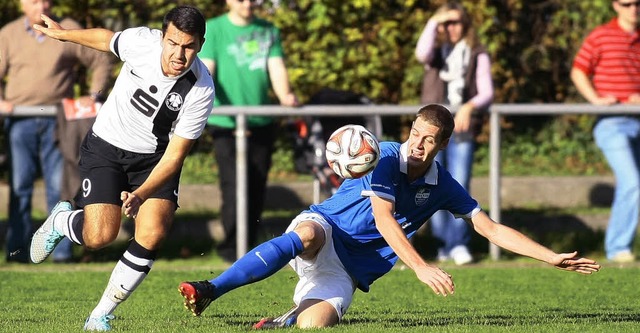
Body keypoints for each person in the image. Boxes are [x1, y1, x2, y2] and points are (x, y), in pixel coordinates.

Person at [178, 104, 601, 329]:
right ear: (410, 128)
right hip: (326, 228)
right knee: (306, 234)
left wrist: (550, 257)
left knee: (314, 326)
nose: (417, 144)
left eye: (428, 139)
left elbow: (487, 226)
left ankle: (283, 321)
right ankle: (210, 289)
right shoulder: (383, 156)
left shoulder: (444, 186)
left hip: (348, 269)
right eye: (415, 133)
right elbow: (383, 218)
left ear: (443, 144)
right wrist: (419, 267)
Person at [28, 5, 215, 331]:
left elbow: (174, 157)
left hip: (154, 161)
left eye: (188, 46)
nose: (178, 54)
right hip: (107, 149)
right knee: (100, 236)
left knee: (153, 232)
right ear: (162, 37)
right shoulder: (142, 42)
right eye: (173, 43)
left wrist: (141, 194)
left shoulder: (201, 89)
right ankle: (63, 220)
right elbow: (106, 39)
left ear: (199, 44)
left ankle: (100, 315)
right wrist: (63, 35)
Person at [0, 0, 112, 263]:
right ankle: (17, 251)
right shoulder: (8, 34)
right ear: (21, 4)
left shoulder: (66, 29)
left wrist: (93, 96)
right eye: (33, 0)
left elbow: (100, 60)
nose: (41, 5)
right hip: (20, 120)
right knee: (20, 186)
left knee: (58, 186)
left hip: (59, 120)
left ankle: (61, 253)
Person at [199, 0, 299, 262]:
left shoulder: (268, 30)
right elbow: (206, 70)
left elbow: (276, 67)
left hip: (261, 122)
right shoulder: (215, 29)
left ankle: (250, 247)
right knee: (233, 186)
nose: (249, 4)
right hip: (227, 124)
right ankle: (232, 250)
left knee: (255, 187)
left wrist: (286, 95)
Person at [414, 1, 494, 265]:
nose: (451, 28)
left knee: (459, 185)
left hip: (461, 132)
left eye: (456, 22)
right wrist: (434, 20)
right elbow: (420, 53)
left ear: (466, 24)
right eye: (446, 23)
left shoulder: (477, 52)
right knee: (430, 185)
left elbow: (486, 92)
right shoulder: (434, 53)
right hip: (431, 134)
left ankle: (458, 242)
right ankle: (441, 243)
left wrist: (469, 107)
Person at [571, 0, 640, 263]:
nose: (633, 9)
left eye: (637, 4)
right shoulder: (601, 35)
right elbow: (579, 70)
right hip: (612, 122)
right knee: (632, 182)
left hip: (638, 119)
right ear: (615, 6)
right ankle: (618, 248)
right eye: (627, 4)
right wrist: (595, 99)